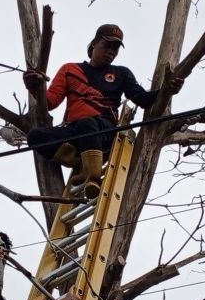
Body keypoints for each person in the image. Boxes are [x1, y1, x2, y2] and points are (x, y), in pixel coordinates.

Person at [23, 24, 183, 198]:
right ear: (94, 44)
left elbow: (143, 99)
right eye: (107, 46)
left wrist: (166, 90)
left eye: (115, 49)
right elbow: (50, 102)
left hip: (103, 130)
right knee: (35, 136)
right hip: (74, 131)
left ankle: (93, 177)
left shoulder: (121, 73)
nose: (111, 52)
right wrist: (35, 87)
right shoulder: (70, 70)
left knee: (88, 122)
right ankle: (80, 159)